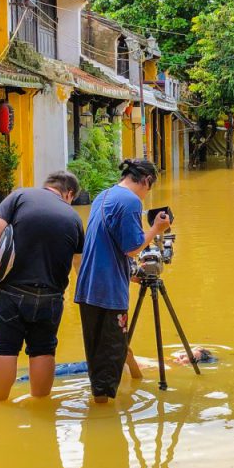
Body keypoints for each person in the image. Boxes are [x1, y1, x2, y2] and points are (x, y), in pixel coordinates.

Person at [0, 171, 84, 401]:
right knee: (43, 351)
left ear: (47, 186)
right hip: (51, 295)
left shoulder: (20, 196)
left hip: (11, 291)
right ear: (69, 194)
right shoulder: (74, 217)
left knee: (5, 349)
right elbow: (79, 264)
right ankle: (40, 404)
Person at [75, 159, 171, 403]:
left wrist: (130, 273)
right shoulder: (130, 201)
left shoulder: (103, 196)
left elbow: (107, 243)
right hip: (108, 289)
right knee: (111, 354)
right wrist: (156, 229)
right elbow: (132, 247)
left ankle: (103, 400)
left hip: (89, 285)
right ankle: (104, 412)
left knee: (101, 350)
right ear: (147, 180)